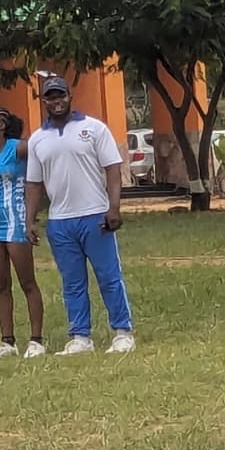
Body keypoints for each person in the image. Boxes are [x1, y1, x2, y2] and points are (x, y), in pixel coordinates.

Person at [26, 74, 135, 354]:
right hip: (60, 220)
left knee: (109, 276)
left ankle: (122, 332)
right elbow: (34, 183)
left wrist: (114, 207)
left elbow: (112, 168)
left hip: (95, 215)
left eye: (60, 95)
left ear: (69, 97)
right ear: (44, 101)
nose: (56, 101)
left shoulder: (94, 128)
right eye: (50, 97)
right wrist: (30, 220)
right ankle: (80, 336)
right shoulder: (38, 139)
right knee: (72, 282)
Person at [0, 105, 46, 357]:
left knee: (27, 282)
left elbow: (40, 158)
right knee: (1, 284)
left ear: (2, 125)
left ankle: (36, 340)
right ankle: (7, 342)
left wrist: (31, 218)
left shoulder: (18, 148)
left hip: (16, 219)